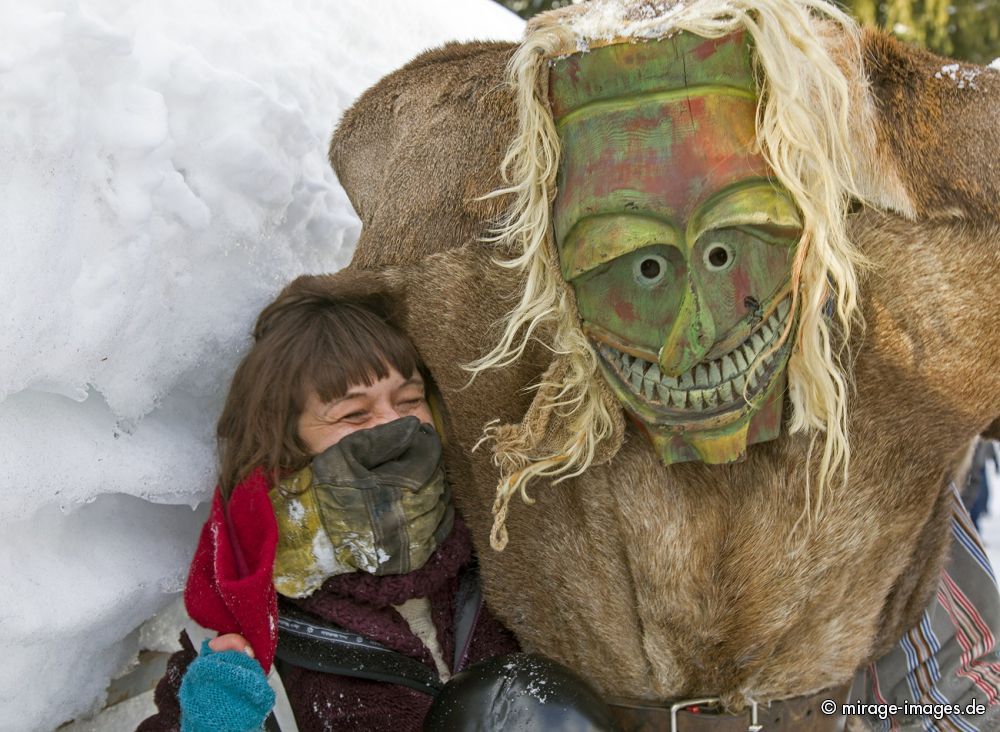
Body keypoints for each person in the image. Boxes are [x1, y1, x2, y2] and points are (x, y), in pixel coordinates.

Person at [138, 287, 520, 731]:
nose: (395, 426)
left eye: (409, 400)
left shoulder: (501, 550)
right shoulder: (241, 640)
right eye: (354, 415)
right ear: (285, 444)